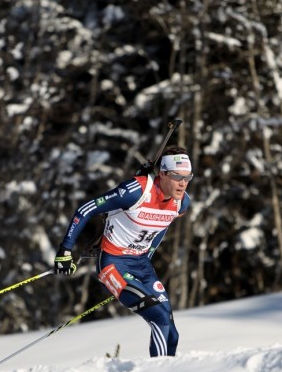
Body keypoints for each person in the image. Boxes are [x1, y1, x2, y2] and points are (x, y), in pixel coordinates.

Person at [53, 146, 193, 357]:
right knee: (159, 318)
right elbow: (85, 210)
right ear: (162, 173)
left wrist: (150, 251)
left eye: (187, 177)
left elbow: (162, 226)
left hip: (142, 265)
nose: (183, 183)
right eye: (176, 176)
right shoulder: (136, 190)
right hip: (114, 264)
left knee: (171, 331)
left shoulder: (181, 202)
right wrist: (65, 250)